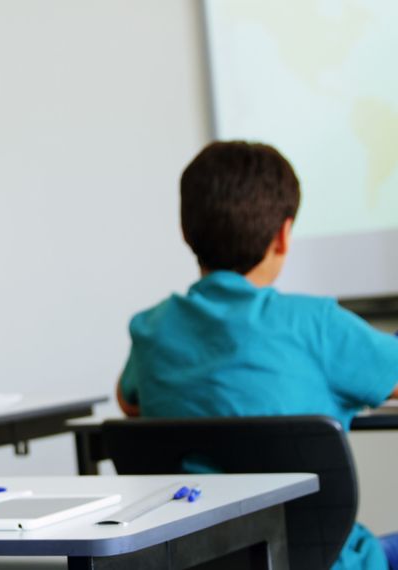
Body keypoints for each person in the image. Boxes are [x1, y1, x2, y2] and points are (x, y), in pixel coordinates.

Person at [116, 141, 398, 570]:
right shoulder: (316, 324)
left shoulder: (152, 329)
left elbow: (128, 402)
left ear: (185, 229)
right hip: (328, 561)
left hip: (203, 562)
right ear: (283, 233)